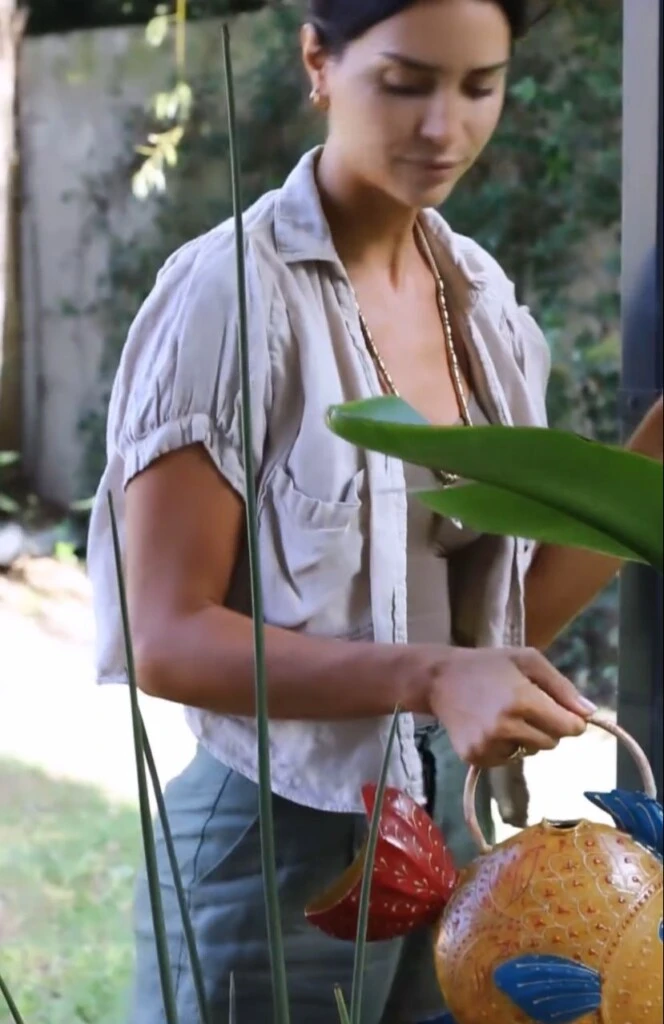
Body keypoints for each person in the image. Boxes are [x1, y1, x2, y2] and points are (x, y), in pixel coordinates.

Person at [86, 0, 663, 1021]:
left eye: (479, 87)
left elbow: (504, 622)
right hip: (276, 841)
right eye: (405, 83)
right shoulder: (232, 297)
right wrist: (429, 675)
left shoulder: (478, 299)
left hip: (452, 820)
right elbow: (159, 637)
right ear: (318, 59)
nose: (444, 127)